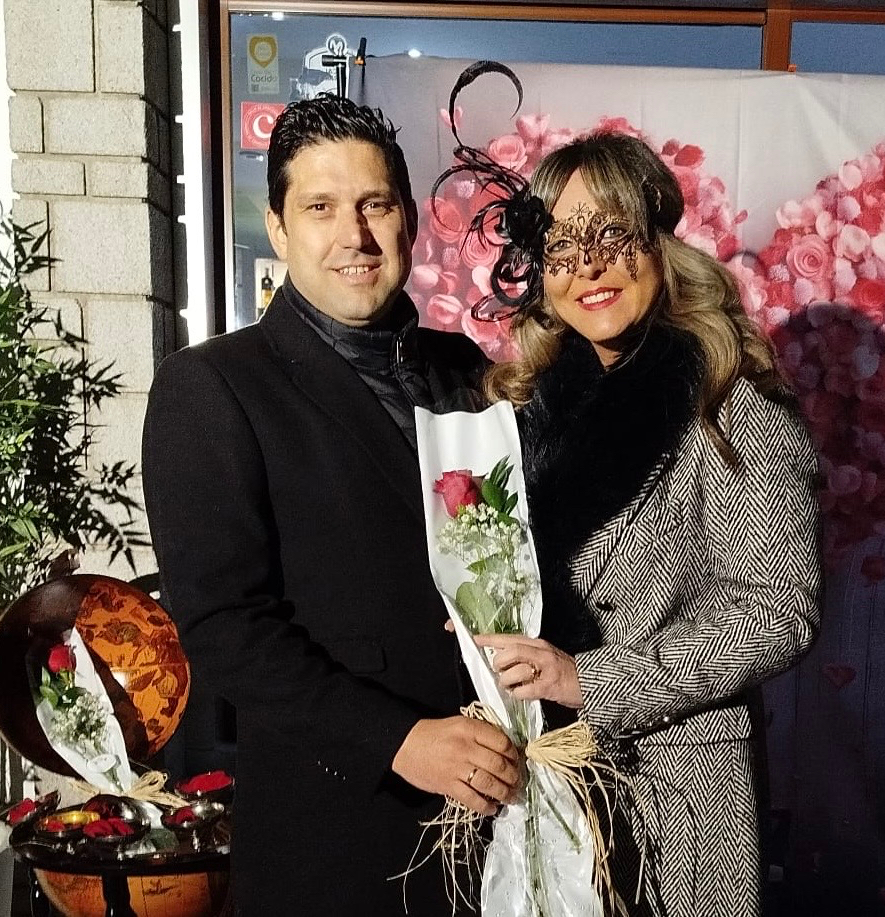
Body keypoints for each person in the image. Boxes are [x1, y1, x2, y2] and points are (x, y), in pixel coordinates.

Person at [141, 95, 522, 917]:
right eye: (320, 207)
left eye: (374, 204)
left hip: (499, 823)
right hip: (338, 837)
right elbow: (224, 626)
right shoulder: (212, 387)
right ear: (278, 229)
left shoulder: (467, 371)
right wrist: (398, 740)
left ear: (409, 220)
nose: (355, 235)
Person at [464, 131, 823, 917]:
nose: (588, 266)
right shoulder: (524, 412)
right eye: (560, 246)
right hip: (538, 780)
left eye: (611, 234)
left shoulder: (729, 401)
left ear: (659, 241)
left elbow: (779, 609)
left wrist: (589, 679)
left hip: (674, 797)